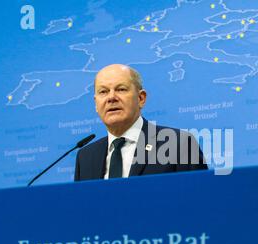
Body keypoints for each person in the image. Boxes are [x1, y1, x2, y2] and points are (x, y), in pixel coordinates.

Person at [74, 64, 207, 181]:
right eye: (103, 92)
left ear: (141, 98)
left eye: (121, 89)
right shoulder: (86, 157)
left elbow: (198, 201)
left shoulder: (178, 144)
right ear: (96, 104)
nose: (111, 97)